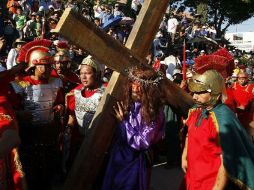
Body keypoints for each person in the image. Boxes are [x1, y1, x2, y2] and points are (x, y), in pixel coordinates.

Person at [181, 69, 254, 190]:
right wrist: (185, 155)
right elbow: (189, 133)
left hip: (211, 181)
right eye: (194, 92)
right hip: (194, 175)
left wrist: (218, 187)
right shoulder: (196, 110)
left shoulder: (222, 118)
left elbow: (227, 160)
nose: (194, 97)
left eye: (200, 93)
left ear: (214, 93)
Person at [11, 39, 65, 190]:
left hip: (49, 131)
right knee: (30, 168)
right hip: (29, 133)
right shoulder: (21, 83)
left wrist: (60, 107)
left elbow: (60, 102)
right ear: (34, 66)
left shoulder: (56, 82)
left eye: (49, 66)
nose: (48, 70)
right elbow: (12, 109)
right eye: (44, 66)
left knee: (48, 166)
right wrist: (21, 115)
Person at [101, 67, 165, 190]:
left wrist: (123, 123)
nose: (134, 88)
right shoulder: (128, 103)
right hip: (119, 155)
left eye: (140, 86)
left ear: (149, 89)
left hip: (136, 160)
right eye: (132, 84)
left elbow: (142, 142)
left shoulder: (155, 112)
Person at [65, 55, 105, 172]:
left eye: (87, 73)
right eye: (81, 73)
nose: (83, 77)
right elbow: (72, 116)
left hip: (99, 143)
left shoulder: (107, 92)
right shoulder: (75, 93)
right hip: (80, 141)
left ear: (97, 74)